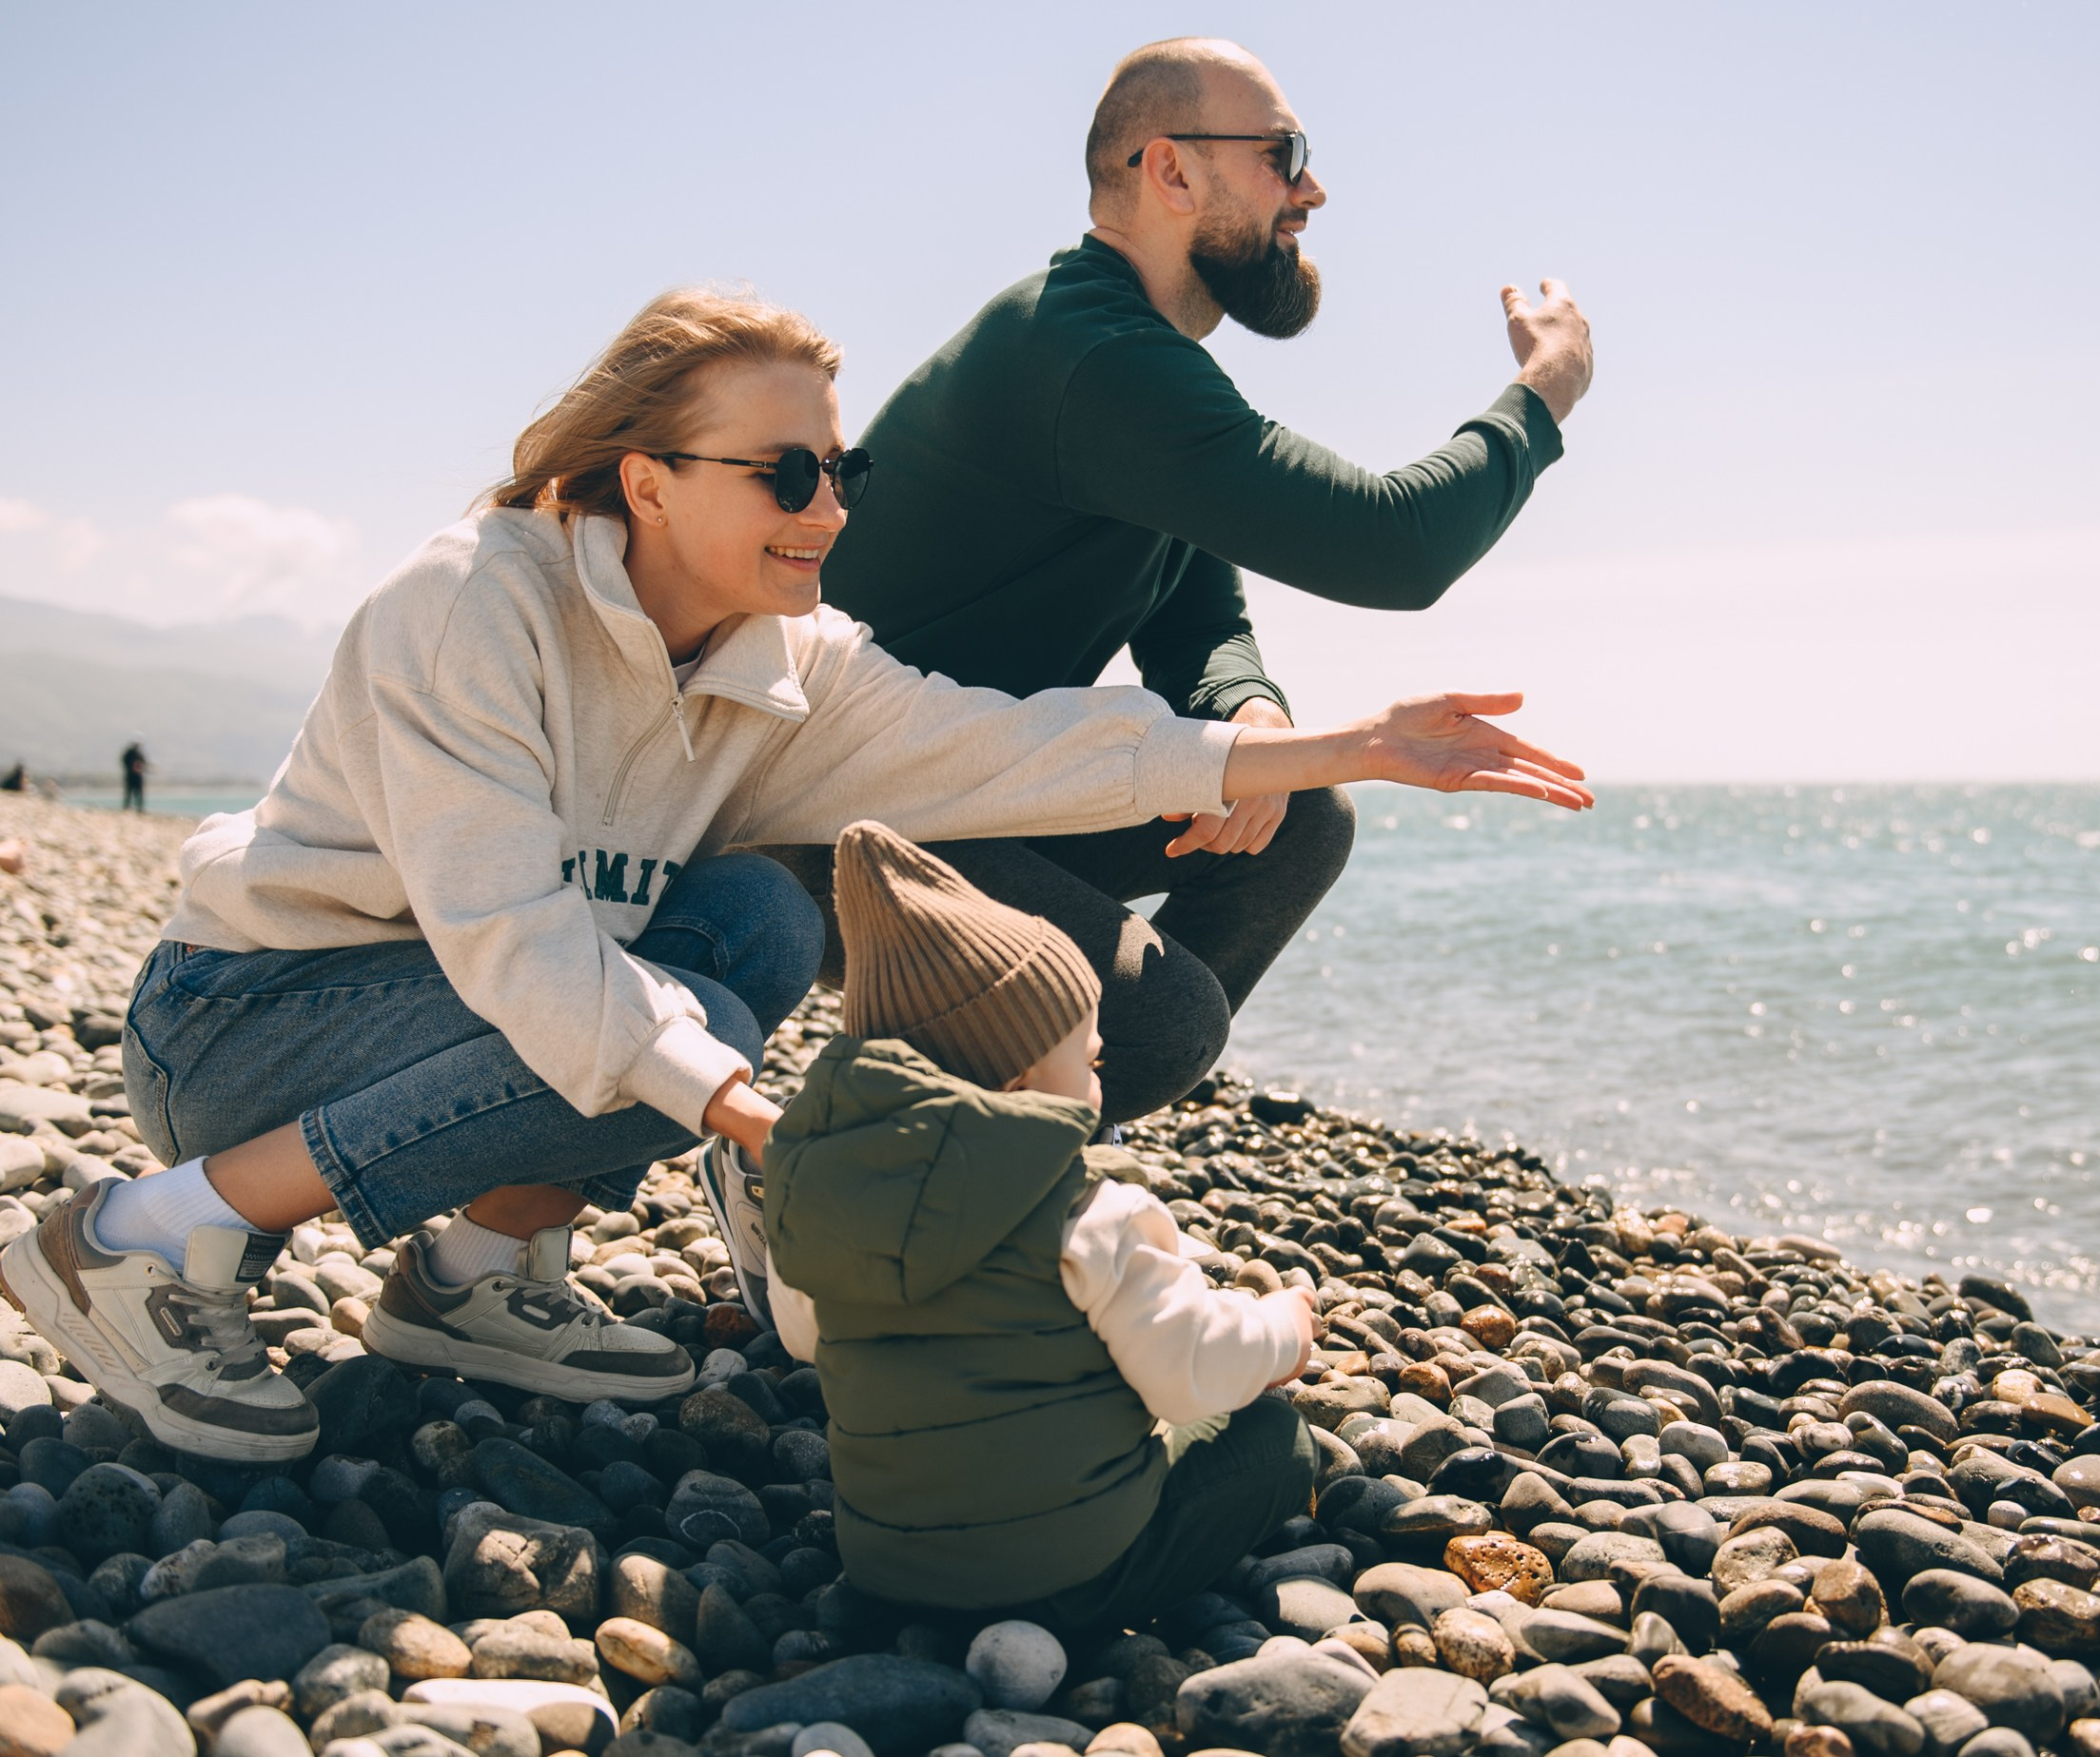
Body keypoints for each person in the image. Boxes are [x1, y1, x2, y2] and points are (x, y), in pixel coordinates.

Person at [0, 287, 1589, 1462]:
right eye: (784, 474)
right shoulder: (472, 603)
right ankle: (143, 1231)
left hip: (451, 1026)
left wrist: (1348, 745)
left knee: (760, 912)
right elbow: (514, 941)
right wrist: (746, 1113)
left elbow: (1011, 749)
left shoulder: (789, 659)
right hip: (242, 1028)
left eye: (841, 472)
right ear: (646, 480)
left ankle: (472, 1270)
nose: (826, 508)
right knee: (654, 1030)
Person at [811, 35, 1596, 1126]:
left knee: (1297, 816)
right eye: (1283, 155)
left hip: (975, 790)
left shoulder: (1134, 361)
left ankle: (961, 1156)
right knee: (1158, 1019)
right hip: (835, 816)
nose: (1311, 190)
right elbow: (1394, 544)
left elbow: (1197, 616)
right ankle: (849, 1170)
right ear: (1170, 171)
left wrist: (1247, 710)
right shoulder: (1090, 358)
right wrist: (1546, 389)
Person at [761, 822, 1319, 1630]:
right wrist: (1282, 1329)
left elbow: (804, 1337)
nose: (1100, 1085)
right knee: (1275, 1440)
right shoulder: (1094, 1213)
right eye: (1089, 1063)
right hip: (1077, 1570)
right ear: (1022, 1078)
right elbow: (1189, 1367)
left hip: (885, 1565)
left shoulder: (815, 1195)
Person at [120, 740, 147, 812]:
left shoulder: (130, 754)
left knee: (131, 793)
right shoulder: (134, 754)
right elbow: (143, 763)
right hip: (134, 776)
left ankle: (131, 807)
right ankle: (137, 808)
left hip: (133, 776)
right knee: (134, 793)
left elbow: (143, 763)